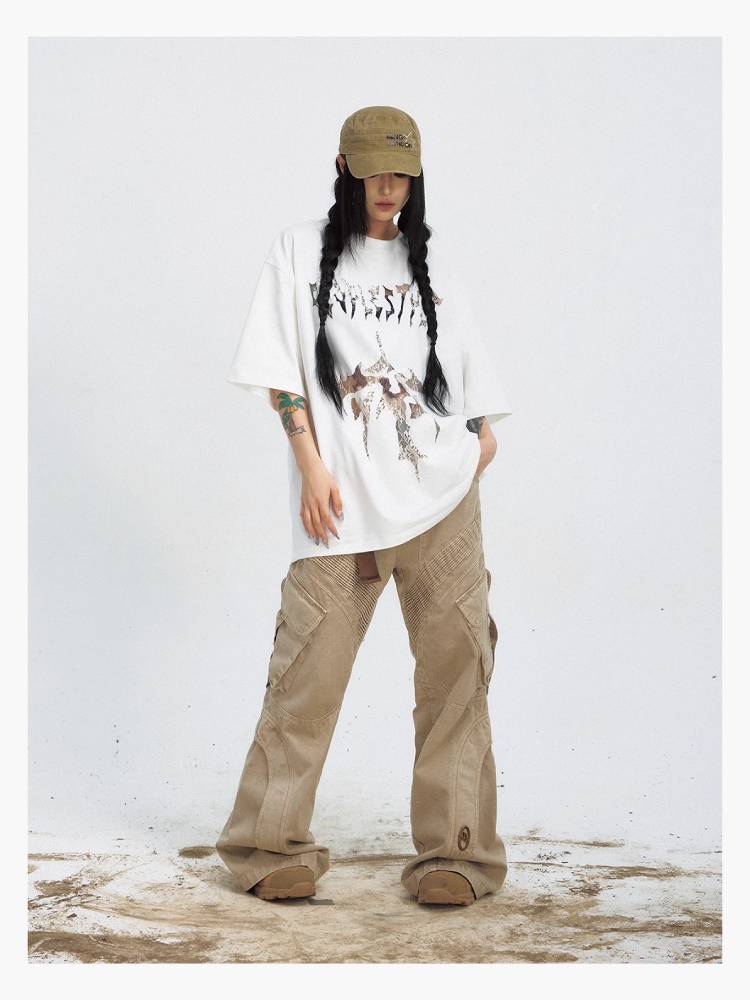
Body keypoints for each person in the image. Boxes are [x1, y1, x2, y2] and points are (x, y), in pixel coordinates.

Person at [215, 105, 512, 907]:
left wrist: (476, 446)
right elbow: (279, 370)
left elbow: (474, 381)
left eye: (402, 172)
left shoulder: (434, 264)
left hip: (442, 504)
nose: (389, 186)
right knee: (306, 676)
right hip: (340, 505)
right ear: (344, 167)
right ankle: (267, 844)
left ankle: (458, 855)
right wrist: (310, 465)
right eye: (375, 170)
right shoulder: (298, 252)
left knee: (457, 675)